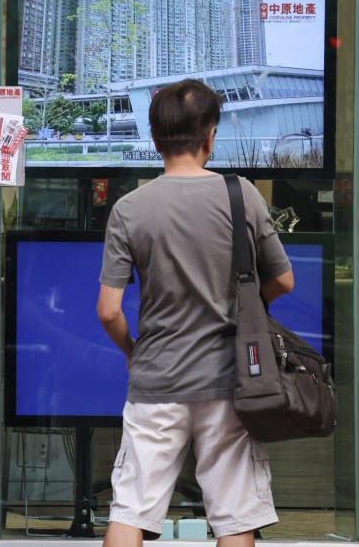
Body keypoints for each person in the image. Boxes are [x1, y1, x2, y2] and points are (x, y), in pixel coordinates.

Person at [97, 79, 295, 547]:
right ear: (210, 135)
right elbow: (283, 281)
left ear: (153, 139)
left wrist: (132, 351)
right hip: (231, 380)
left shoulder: (129, 209)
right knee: (234, 517)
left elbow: (108, 311)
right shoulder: (242, 195)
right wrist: (243, 305)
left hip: (155, 381)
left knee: (131, 511)